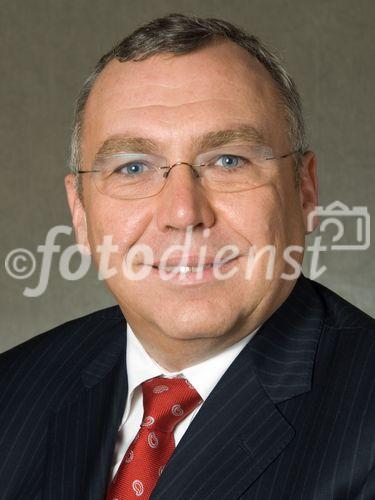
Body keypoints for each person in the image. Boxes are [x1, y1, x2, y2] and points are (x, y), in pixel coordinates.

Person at [0, 13, 374, 500]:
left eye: (228, 160)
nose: (183, 212)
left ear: (304, 191)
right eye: (133, 167)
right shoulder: (12, 393)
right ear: (80, 212)